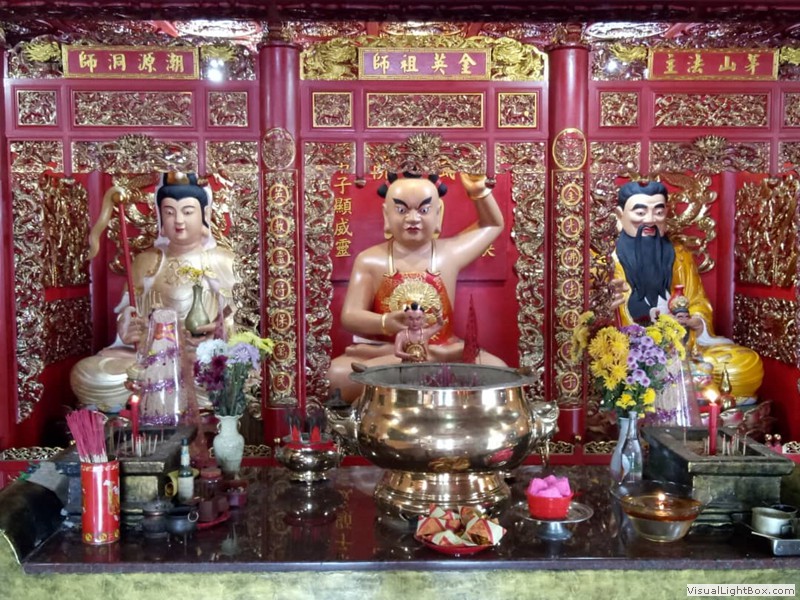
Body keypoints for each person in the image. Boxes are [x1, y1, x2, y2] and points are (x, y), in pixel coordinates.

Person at [328, 172, 506, 402]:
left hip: (443, 351)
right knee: (337, 376)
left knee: (497, 371)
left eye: (423, 210)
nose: (413, 218)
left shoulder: (449, 253)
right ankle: (429, 376)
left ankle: (425, 369)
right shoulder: (370, 260)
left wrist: (479, 192)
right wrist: (385, 322)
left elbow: (492, 225)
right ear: (386, 215)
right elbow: (350, 316)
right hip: (394, 353)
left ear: (438, 214)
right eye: (402, 210)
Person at [70, 172, 238, 413]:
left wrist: (221, 328)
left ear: (204, 214)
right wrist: (127, 326)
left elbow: (241, 316)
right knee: (87, 373)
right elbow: (129, 310)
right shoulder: (146, 261)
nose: (178, 221)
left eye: (187, 211)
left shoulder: (223, 260)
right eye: (169, 212)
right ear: (160, 217)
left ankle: (167, 392)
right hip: (151, 357)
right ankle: (166, 391)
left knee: (236, 373)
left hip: (201, 357)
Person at [609, 180, 763, 399]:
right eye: (640, 212)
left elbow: (697, 300)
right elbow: (596, 322)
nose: (650, 220)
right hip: (631, 352)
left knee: (746, 363)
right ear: (619, 215)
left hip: (683, 347)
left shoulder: (680, 256)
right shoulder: (606, 262)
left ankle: (685, 387)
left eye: (658, 212)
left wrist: (696, 321)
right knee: (621, 368)